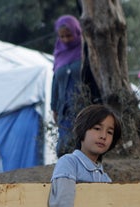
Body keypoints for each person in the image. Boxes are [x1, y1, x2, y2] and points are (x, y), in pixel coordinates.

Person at [51, 15, 84, 157]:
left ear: (76, 32)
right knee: (64, 148)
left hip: (83, 106)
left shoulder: (85, 51)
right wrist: (54, 107)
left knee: (82, 142)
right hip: (64, 109)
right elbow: (56, 82)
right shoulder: (59, 54)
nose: (65, 40)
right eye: (62, 36)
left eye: (69, 35)